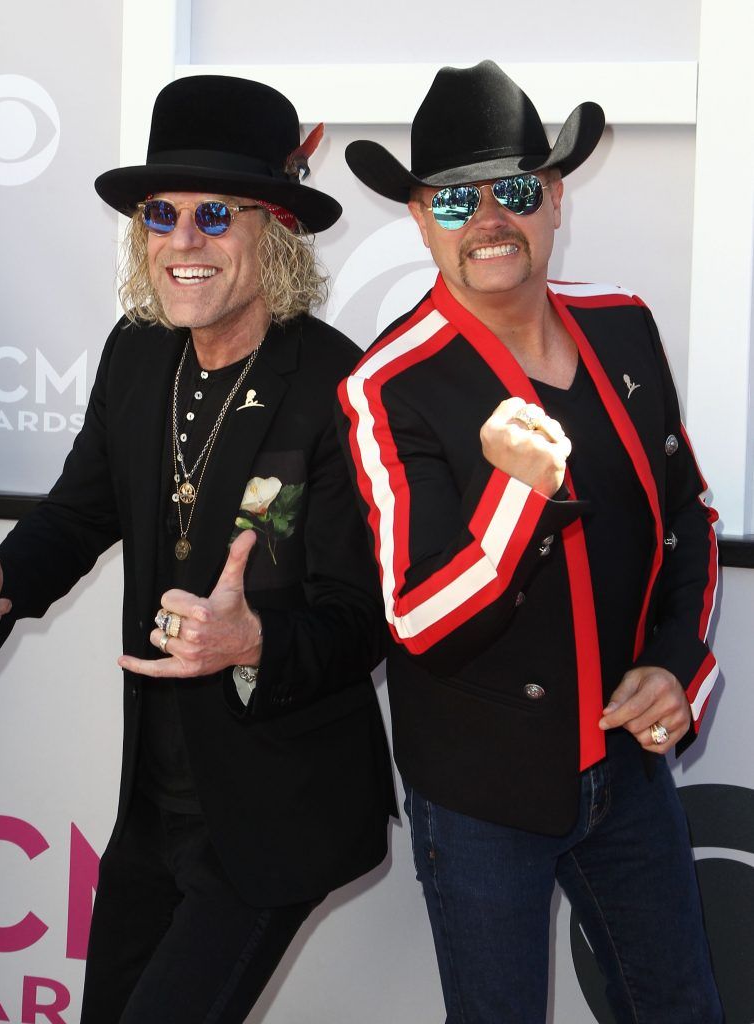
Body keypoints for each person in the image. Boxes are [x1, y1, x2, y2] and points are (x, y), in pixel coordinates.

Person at [0, 74, 395, 1024]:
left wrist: (251, 642)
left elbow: (360, 620)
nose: (182, 241)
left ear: (275, 229)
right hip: (155, 803)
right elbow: (80, 516)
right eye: (158, 214)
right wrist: (4, 586)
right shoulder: (136, 353)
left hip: (275, 814)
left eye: (216, 213)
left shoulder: (340, 386)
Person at [338, 60, 722, 1023]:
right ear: (420, 219)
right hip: (481, 798)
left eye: (514, 191)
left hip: (628, 774)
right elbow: (420, 618)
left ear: (553, 201)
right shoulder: (387, 385)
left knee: (679, 1008)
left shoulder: (622, 324)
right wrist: (517, 493)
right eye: (454, 199)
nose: (487, 219)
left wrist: (677, 671)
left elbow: (689, 521)